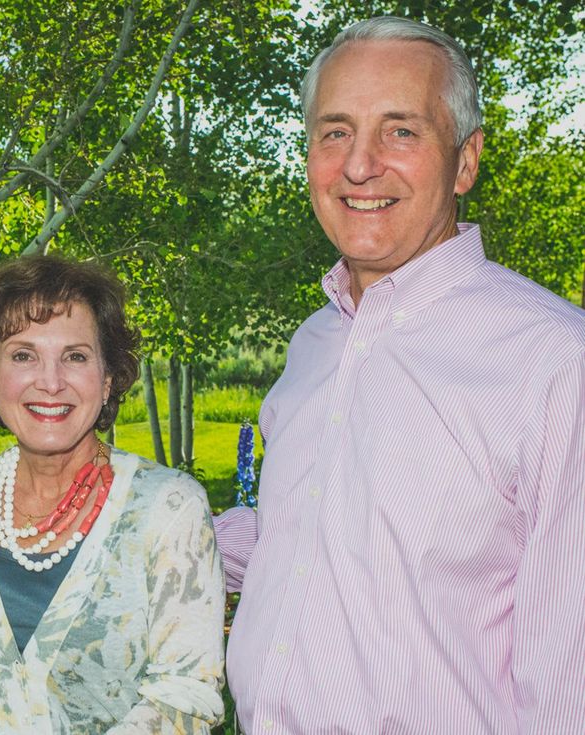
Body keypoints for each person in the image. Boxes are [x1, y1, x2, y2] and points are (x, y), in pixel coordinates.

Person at [215, 16, 585, 734]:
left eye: (401, 131)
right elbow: (307, 534)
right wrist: (145, 519)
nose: (358, 165)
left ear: (466, 160)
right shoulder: (316, 341)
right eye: (334, 131)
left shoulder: (555, 362)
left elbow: (571, 674)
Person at [0, 255, 225, 733]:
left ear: (106, 380)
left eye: (75, 356)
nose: (51, 381)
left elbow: (187, 697)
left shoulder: (168, 508)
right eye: (23, 355)